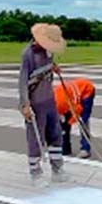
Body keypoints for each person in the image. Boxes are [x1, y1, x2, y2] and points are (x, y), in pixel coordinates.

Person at [19, 23, 68, 183]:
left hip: (49, 101)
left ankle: (57, 169)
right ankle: (36, 173)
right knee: (35, 138)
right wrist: (25, 104)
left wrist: (53, 68)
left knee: (55, 134)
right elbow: (22, 81)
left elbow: (47, 71)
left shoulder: (48, 52)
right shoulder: (28, 54)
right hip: (35, 103)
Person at [54, 77, 95, 159]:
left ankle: (85, 149)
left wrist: (70, 121)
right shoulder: (52, 103)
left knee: (83, 121)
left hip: (86, 91)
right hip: (70, 98)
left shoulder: (60, 102)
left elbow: (78, 109)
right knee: (63, 125)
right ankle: (65, 149)